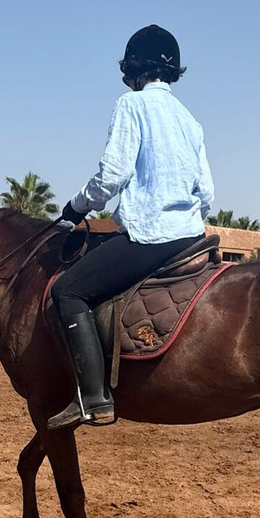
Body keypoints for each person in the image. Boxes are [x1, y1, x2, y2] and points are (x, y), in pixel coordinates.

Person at [47, 25, 215, 428]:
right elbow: (207, 192)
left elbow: (113, 175)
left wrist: (75, 207)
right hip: (192, 236)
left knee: (68, 291)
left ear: (135, 71)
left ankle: (93, 398)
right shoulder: (190, 120)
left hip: (150, 235)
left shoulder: (131, 105)